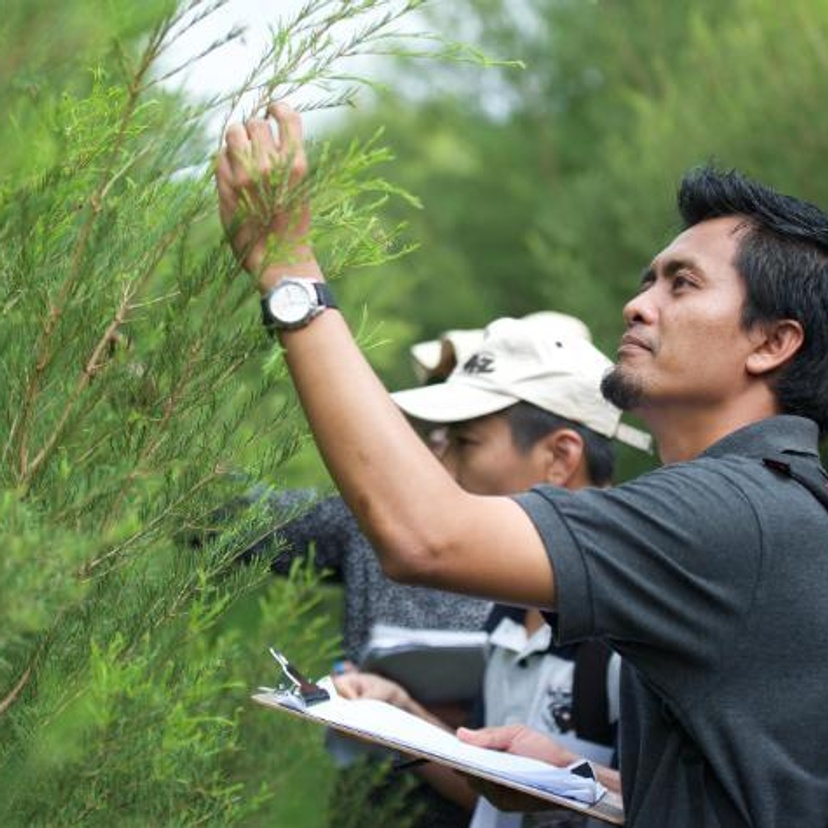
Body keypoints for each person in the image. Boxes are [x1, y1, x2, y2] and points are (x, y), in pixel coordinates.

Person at [216, 102, 828, 826]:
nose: (637, 305)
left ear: (772, 343)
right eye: (647, 280)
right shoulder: (769, 504)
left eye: (681, 284)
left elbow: (424, 535)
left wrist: (290, 274)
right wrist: (581, 784)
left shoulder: (734, 511)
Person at [335, 313, 647, 827]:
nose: (442, 467)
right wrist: (399, 714)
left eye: (466, 443)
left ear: (560, 457)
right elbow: (492, 797)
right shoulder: (510, 611)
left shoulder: (633, 630)